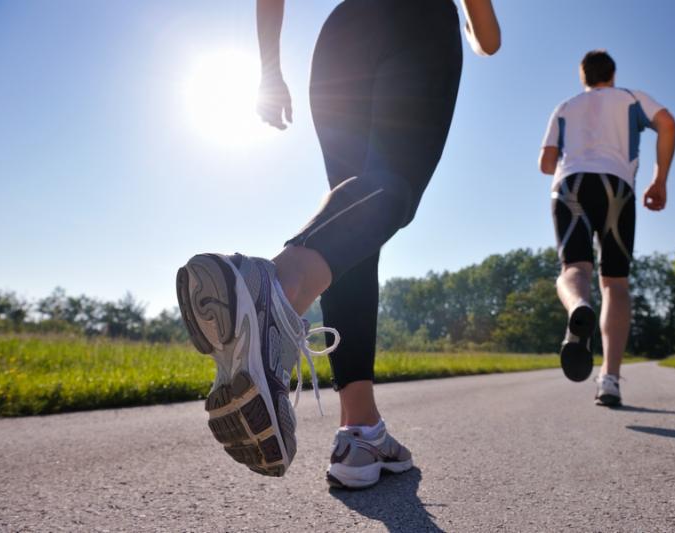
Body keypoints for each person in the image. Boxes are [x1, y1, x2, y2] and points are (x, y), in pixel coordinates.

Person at [176, 0, 500, 488]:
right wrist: (474, 30)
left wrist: (269, 69)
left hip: (340, 37)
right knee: (393, 186)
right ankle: (277, 291)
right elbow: (489, 39)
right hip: (417, 20)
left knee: (350, 236)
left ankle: (360, 429)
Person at [538, 50, 675, 406]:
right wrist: (659, 180)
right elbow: (667, 123)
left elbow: (545, 163)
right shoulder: (631, 97)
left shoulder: (565, 106)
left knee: (574, 268)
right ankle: (609, 380)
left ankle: (578, 308)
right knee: (614, 282)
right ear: (611, 74)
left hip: (571, 187)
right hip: (617, 187)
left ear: (582, 76)